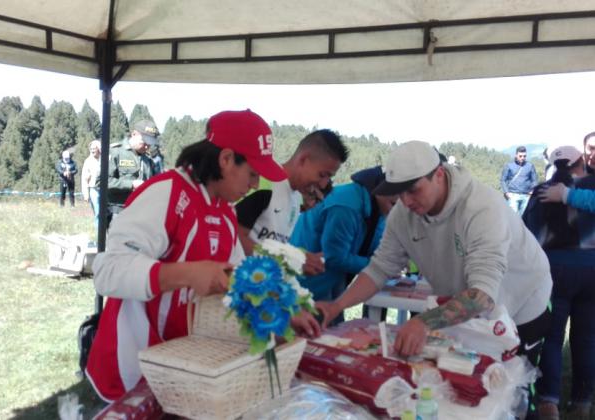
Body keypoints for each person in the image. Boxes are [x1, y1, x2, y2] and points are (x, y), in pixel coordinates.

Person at [85, 110, 321, 402]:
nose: (255, 184)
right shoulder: (168, 194)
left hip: (182, 370)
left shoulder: (224, 211)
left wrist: (282, 309)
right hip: (132, 370)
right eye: (252, 174)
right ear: (225, 159)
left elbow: (236, 275)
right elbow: (107, 271)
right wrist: (186, 274)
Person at [317, 141, 552, 420]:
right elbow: (379, 268)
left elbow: (482, 295)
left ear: (439, 174)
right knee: (465, 389)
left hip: (522, 301)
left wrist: (422, 322)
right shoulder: (404, 214)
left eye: (413, 190)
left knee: (516, 392)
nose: (405, 201)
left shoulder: (481, 208)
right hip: (465, 309)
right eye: (398, 193)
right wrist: (336, 306)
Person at [522, 145, 595, 420]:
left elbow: (525, 232)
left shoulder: (541, 191)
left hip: (554, 270)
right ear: (580, 164)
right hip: (592, 269)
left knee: (552, 338)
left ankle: (548, 402)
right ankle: (582, 402)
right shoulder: (591, 188)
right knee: (587, 338)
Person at [290, 166, 397, 324]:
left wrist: (387, 261)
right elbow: (335, 257)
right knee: (313, 329)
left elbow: (375, 249)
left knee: (334, 326)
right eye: (395, 200)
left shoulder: (381, 208)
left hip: (335, 277)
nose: (402, 201)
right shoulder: (346, 206)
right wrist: (380, 266)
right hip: (307, 279)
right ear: (380, 189)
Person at [235, 129, 349, 276]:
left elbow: (272, 244)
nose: (323, 184)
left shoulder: (296, 196)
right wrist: (291, 259)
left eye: (329, 177)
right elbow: (235, 238)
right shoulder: (264, 184)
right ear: (303, 159)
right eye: (322, 175)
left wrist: (298, 257)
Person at [102, 119, 160, 224]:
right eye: (144, 142)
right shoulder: (115, 152)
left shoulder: (148, 159)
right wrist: (131, 184)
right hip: (119, 212)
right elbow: (103, 181)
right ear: (134, 134)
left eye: (150, 143)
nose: (147, 146)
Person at [500, 145, 538, 216]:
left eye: (524, 156)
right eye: (520, 156)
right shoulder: (509, 166)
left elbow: (534, 180)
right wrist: (506, 192)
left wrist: (532, 191)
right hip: (513, 195)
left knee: (524, 218)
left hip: (526, 196)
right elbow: (503, 180)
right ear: (516, 155)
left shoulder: (530, 166)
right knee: (513, 218)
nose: (522, 158)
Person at [81, 139, 101, 229]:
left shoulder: (106, 158)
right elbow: (84, 179)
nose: (93, 150)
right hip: (94, 189)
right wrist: (86, 194)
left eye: (95, 148)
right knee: (98, 212)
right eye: (91, 149)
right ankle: (99, 234)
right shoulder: (88, 161)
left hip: (105, 189)